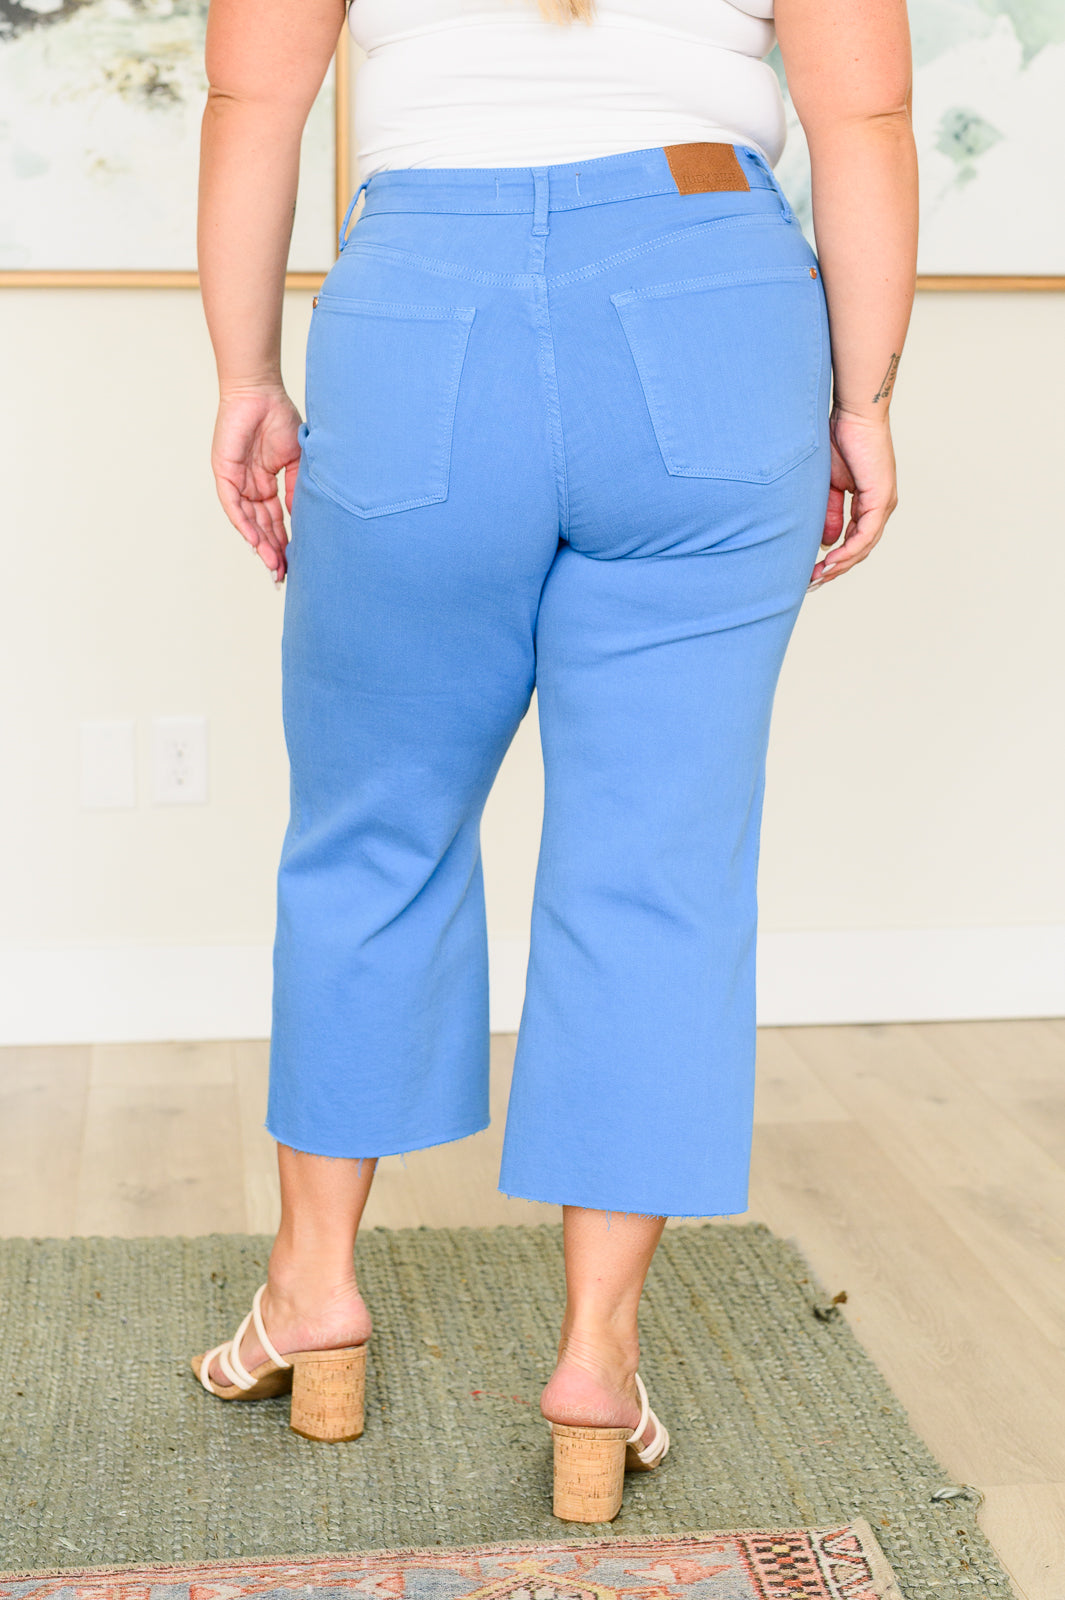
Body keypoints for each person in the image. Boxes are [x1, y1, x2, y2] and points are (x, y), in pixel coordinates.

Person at [192, 0, 917, 1522]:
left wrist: (247, 377)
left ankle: (312, 1293)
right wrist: (861, 398)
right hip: (713, 299)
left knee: (373, 831)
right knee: (657, 868)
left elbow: (253, 103)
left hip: (424, 303)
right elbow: (862, 119)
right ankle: (597, 1360)